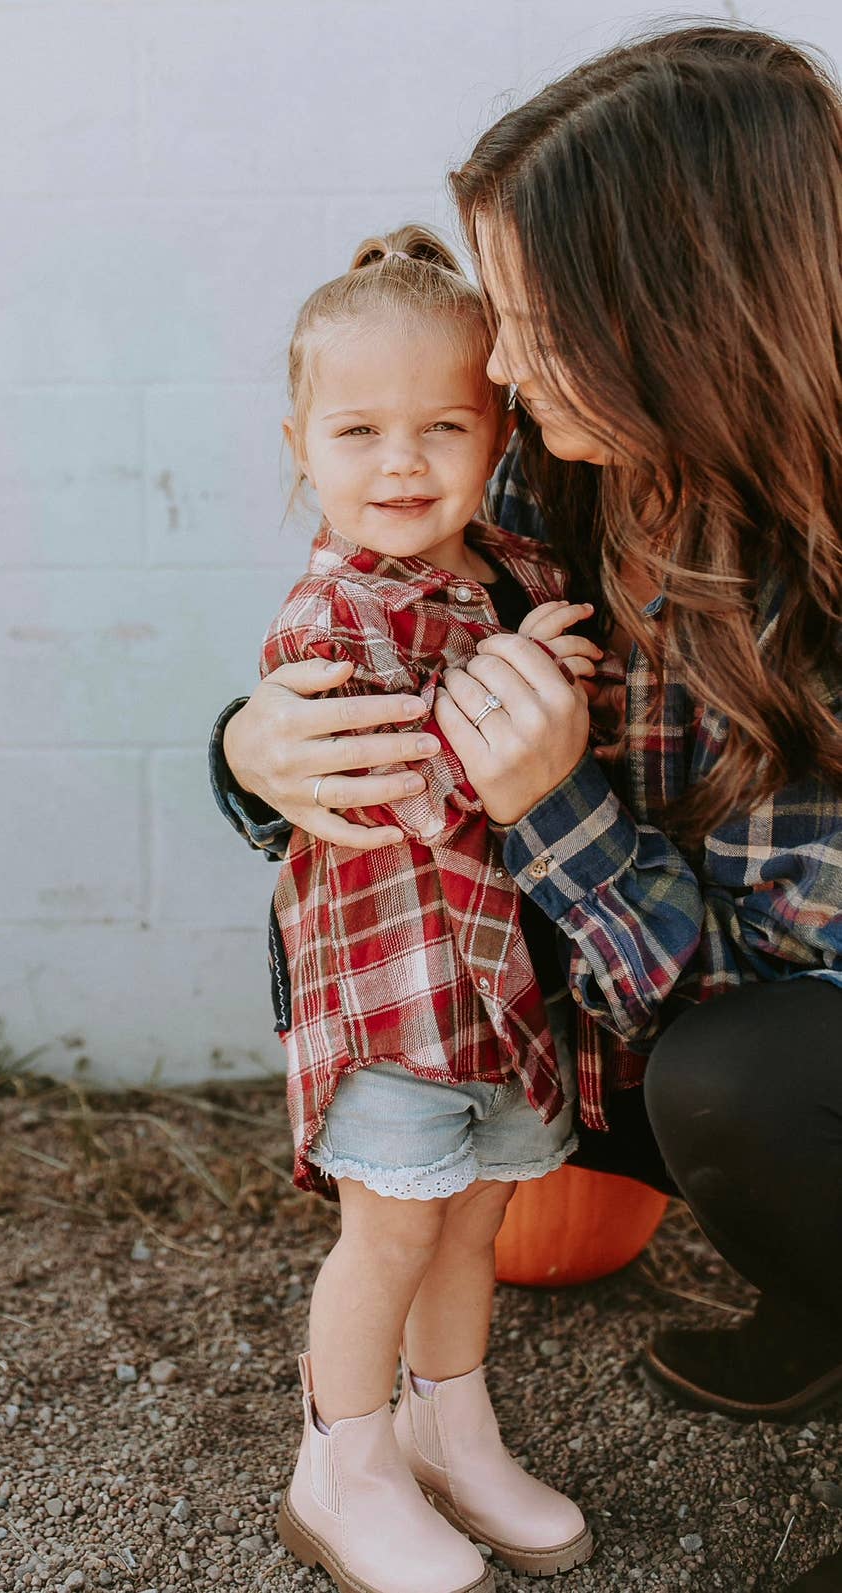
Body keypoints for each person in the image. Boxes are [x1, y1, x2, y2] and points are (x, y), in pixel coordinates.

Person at [211, 21, 842, 1593]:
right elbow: (357, 617)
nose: (487, 373)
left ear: (675, 319)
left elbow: (764, 980)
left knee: (742, 1086)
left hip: (753, 1015)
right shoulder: (549, 476)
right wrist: (245, 748)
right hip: (521, 988)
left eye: (535, 322)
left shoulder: (814, 570)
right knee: (460, 1196)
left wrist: (552, 798)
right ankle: (391, 1442)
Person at [260, 224, 605, 1593]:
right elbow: (403, 785)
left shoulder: (508, 572)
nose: (399, 463)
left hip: (499, 990)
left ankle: (448, 1421)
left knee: (476, 1222)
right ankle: (340, 1463)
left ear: (497, 432)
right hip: (390, 990)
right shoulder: (326, 617)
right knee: (391, 1226)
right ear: (300, 443)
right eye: (358, 430)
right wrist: (520, 688)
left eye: (440, 427)